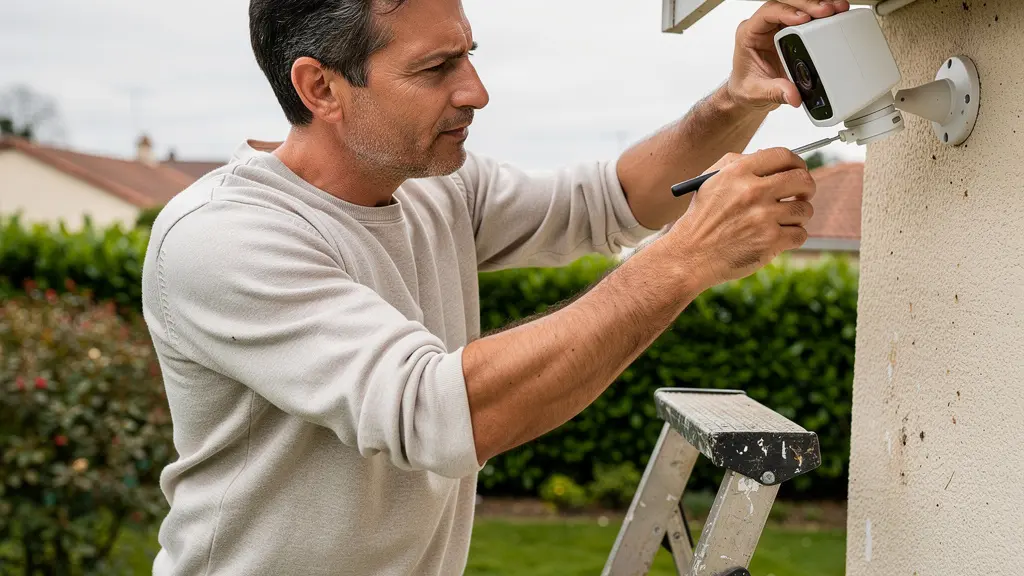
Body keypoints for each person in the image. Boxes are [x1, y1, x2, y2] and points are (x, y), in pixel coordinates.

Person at [140, 0, 849, 573]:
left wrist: (732, 101)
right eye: (436, 68)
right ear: (320, 87)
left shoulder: (431, 189)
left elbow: (611, 201)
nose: (475, 91)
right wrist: (687, 257)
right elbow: (437, 413)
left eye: (469, 54)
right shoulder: (223, 239)